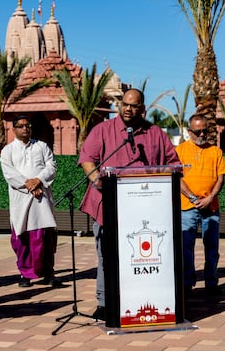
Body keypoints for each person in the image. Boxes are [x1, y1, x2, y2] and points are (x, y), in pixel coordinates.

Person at [78, 88, 180, 321]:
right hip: (108, 206)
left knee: (143, 256)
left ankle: (141, 298)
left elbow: (172, 164)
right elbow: (87, 159)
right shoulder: (103, 130)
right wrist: (96, 179)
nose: (128, 108)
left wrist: (160, 176)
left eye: (134, 106)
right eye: (125, 104)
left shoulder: (155, 134)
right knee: (107, 256)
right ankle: (104, 302)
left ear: (142, 109)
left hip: (145, 210)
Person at [0, 115, 61, 288]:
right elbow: (9, 173)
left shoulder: (41, 146)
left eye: (28, 126)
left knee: (45, 238)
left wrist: (39, 180)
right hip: (21, 199)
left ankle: (48, 273)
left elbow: (51, 166)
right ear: (14, 129)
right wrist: (30, 185)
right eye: (21, 126)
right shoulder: (8, 150)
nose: (25, 129)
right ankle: (25, 274)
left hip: (41, 200)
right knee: (22, 238)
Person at [176, 113, 225, 296]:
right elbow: (177, 178)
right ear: (189, 131)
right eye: (197, 132)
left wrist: (209, 198)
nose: (201, 135)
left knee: (212, 247)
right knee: (186, 247)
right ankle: (187, 283)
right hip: (186, 207)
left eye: (205, 131)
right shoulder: (180, 151)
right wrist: (192, 198)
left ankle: (211, 282)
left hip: (211, 207)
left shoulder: (216, 151)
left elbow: (221, 178)